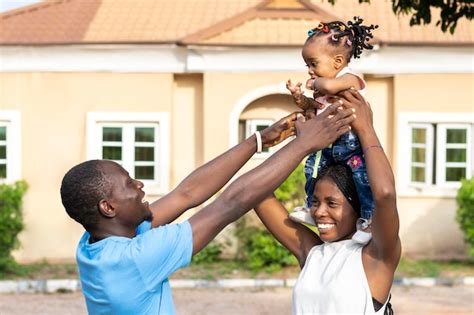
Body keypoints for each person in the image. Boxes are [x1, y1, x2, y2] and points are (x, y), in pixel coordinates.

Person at [60, 104, 354, 314]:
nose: (139, 185)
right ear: (108, 207)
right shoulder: (136, 257)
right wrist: (304, 145)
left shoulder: (94, 245)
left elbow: (186, 194)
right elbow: (230, 204)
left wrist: (260, 140)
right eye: (127, 184)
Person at [254, 89, 400, 314]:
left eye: (332, 203)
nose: (319, 212)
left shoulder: (376, 257)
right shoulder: (313, 253)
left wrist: (365, 130)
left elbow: (385, 194)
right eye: (315, 202)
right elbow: (256, 192)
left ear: (358, 206)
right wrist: (299, 144)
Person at [286, 17, 378, 244]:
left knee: (361, 179)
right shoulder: (323, 87)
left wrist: (316, 85)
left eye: (313, 63)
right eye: (307, 65)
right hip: (327, 143)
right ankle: (310, 205)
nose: (309, 71)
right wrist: (300, 98)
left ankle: (368, 220)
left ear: (337, 61)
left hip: (351, 144)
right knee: (312, 170)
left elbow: (327, 86)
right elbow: (312, 107)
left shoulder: (350, 79)